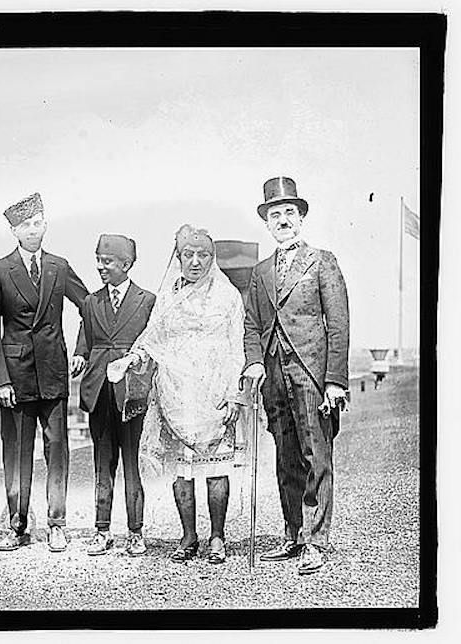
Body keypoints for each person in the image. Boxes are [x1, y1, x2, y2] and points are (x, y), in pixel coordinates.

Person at [114, 225, 247, 564]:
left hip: (213, 392)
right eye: (188, 255)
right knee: (182, 470)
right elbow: (152, 337)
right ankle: (189, 536)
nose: (195, 262)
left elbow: (237, 348)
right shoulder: (169, 295)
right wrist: (134, 357)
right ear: (179, 257)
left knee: (215, 467)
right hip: (176, 393)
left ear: (212, 258)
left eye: (203, 255)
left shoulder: (227, 295)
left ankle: (217, 537)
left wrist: (234, 394)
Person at [242, 176, 349, 575]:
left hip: (312, 373)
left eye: (290, 212)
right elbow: (251, 323)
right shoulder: (260, 271)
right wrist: (254, 362)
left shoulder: (322, 260)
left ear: (301, 217)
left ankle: (317, 541)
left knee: (316, 455)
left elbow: (338, 324)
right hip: (273, 375)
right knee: (286, 458)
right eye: (275, 214)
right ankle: (293, 534)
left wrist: (335, 380)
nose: (283, 219)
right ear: (267, 222)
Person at [0, 192, 89, 553]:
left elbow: (89, 307)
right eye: (26, 225)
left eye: (38, 222)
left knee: (57, 449)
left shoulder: (59, 266)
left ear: (46, 224)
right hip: (15, 377)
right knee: (16, 453)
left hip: (54, 373)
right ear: (14, 231)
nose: (33, 230)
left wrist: (80, 350)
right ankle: (18, 525)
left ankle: (57, 524)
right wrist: (0, 380)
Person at [72, 234, 155, 556]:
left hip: (132, 395)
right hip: (99, 395)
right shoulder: (92, 302)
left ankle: (136, 533)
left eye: (107, 262)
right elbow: (86, 335)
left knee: (132, 466)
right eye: (98, 260)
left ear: (126, 264)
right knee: (102, 465)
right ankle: (102, 531)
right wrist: (80, 354)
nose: (100, 267)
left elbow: (154, 342)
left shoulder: (147, 300)